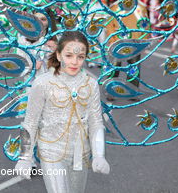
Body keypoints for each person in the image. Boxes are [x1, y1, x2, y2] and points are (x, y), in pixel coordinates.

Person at [15, 31, 110, 193]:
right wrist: (25, 157)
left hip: (80, 152)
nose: (75, 62)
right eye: (69, 56)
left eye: (80, 57)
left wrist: (99, 154)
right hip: (51, 151)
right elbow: (30, 122)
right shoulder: (42, 83)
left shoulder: (91, 84)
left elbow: (95, 122)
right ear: (58, 55)